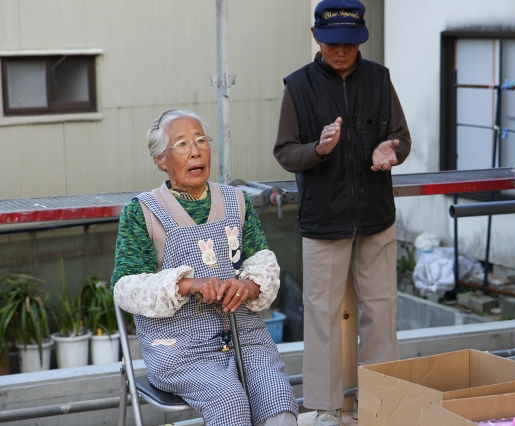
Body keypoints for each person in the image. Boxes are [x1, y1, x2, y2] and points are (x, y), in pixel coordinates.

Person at [111, 109, 298, 426]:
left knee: (278, 400)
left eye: (200, 140)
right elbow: (126, 288)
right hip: (180, 348)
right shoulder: (142, 212)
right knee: (230, 401)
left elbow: (261, 261)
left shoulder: (236, 200)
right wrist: (186, 285)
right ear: (160, 159)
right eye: (182, 144)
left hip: (244, 337)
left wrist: (249, 286)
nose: (195, 150)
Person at [273, 1, 411, 425]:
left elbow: (400, 137)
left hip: (376, 216)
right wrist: (318, 149)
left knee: (382, 311)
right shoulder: (298, 86)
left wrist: (394, 151)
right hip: (323, 219)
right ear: (316, 37)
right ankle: (325, 409)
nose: (342, 52)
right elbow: (284, 152)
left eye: (350, 44)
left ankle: (382, 402)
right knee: (321, 317)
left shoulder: (379, 78)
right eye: (334, 43)